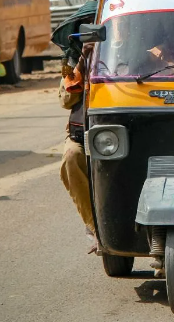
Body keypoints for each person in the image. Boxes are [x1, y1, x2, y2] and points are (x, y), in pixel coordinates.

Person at [59, 42, 96, 253]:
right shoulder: (73, 60)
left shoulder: (141, 45)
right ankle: (95, 226)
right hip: (82, 133)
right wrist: (82, 62)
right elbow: (66, 100)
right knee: (71, 156)